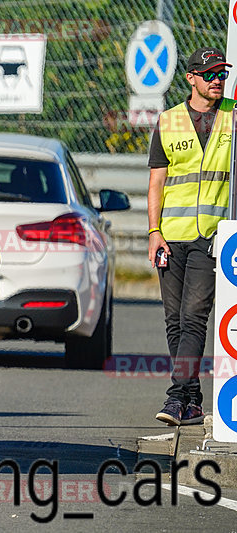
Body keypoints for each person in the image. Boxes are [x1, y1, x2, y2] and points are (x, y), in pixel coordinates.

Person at [147, 47, 234, 426]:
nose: (217, 80)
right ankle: (192, 399)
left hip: (211, 235)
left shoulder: (232, 116)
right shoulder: (168, 121)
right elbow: (156, 184)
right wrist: (154, 233)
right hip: (171, 235)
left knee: (194, 315)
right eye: (211, 73)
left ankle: (175, 397)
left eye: (222, 74)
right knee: (174, 321)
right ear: (192, 78)